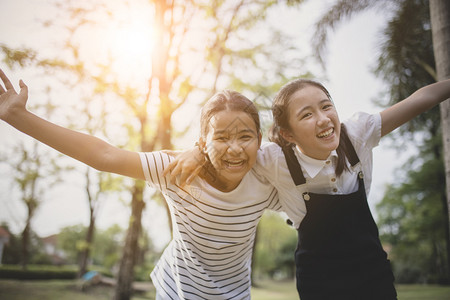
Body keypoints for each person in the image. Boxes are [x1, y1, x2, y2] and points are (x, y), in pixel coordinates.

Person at [0, 68, 283, 300]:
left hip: (236, 296)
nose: (234, 149)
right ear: (201, 143)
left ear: (260, 140)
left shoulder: (267, 178)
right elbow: (104, 156)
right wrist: (18, 116)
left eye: (245, 137)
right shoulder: (177, 171)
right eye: (221, 138)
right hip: (176, 293)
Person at [164, 77, 450, 300]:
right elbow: (231, 149)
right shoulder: (275, 160)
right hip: (319, 282)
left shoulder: (358, 133)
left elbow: (421, 99)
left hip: (372, 271)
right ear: (287, 134)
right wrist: (196, 151)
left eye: (326, 106)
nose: (323, 119)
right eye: (307, 115)